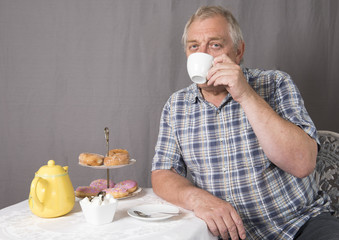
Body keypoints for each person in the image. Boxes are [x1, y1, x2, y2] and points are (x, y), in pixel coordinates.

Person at [151, 5, 339, 240]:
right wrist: (196, 198)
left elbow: (302, 163)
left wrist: (245, 95)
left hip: (300, 224)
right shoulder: (176, 106)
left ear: (238, 52)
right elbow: (162, 172)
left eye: (215, 44)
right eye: (194, 46)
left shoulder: (276, 83)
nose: (204, 53)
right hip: (227, 233)